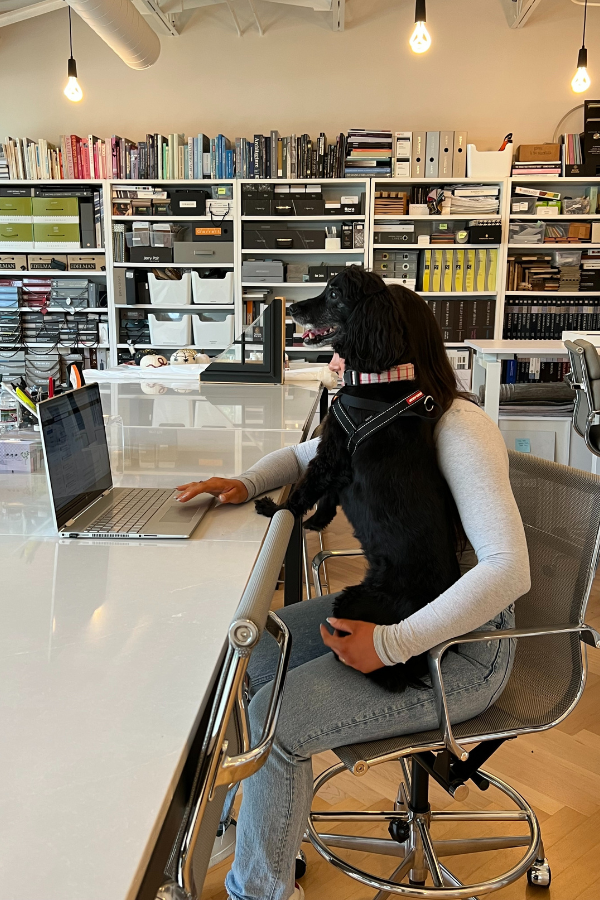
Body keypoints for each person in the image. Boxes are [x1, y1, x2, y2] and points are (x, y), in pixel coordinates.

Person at [176, 294, 531, 900]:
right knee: (253, 652)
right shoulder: (382, 413)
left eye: (348, 342)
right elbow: (302, 455)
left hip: (464, 649)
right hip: (399, 603)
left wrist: (391, 645)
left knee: (272, 721)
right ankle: (260, 820)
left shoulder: (456, 425)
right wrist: (245, 482)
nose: (337, 356)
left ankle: (260, 889)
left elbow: (508, 570)